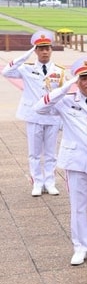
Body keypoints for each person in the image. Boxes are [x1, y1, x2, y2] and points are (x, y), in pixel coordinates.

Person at [33, 57, 87, 265]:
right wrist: (64, 87)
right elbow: (39, 108)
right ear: (77, 80)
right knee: (79, 207)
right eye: (84, 78)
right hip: (76, 162)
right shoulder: (65, 101)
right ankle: (80, 247)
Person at [2, 30, 67, 197]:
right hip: (34, 117)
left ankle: (50, 182)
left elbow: (63, 95)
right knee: (35, 152)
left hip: (52, 116)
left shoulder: (59, 71)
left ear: (51, 49)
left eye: (47, 48)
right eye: (40, 48)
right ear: (36, 51)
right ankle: (37, 182)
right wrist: (27, 54)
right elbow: (6, 72)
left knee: (51, 152)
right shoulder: (26, 69)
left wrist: (63, 118)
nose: (45, 51)